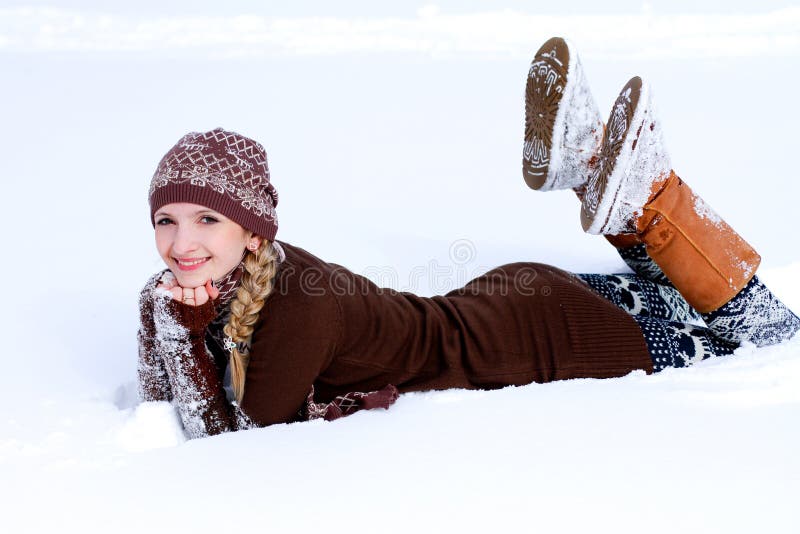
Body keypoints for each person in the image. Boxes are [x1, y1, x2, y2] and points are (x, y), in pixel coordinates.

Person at [138, 37, 799, 440]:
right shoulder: (248, 276)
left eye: (206, 220)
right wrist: (163, 316)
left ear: (253, 232)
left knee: (765, 338)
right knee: (681, 298)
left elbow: (238, 442)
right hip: (511, 299)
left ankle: (644, 199)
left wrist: (176, 329)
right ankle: (601, 177)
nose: (181, 244)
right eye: (166, 221)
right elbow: (156, 399)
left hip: (550, 339)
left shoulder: (294, 308)